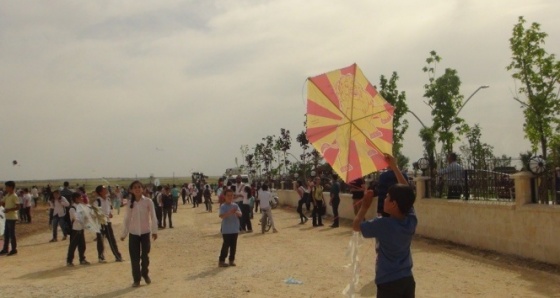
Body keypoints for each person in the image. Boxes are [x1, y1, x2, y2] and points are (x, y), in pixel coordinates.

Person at [353, 154, 416, 298]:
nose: (384, 199)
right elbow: (407, 194)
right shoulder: (411, 220)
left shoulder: (382, 224)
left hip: (388, 282)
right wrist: (395, 167)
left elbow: (356, 226)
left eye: (387, 197)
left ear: (393, 204)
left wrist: (364, 207)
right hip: (407, 279)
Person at [121, 180, 158, 288]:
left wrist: (154, 231)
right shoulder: (129, 203)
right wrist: (124, 233)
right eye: (135, 187)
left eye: (139, 187)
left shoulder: (148, 201)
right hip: (133, 234)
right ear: (131, 190)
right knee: (134, 258)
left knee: (145, 256)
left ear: (143, 189)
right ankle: (136, 279)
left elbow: (153, 217)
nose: (137, 189)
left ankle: (145, 273)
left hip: (145, 233)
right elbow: (127, 218)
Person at [94, 185, 124, 263]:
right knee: (100, 240)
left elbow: (109, 209)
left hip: (107, 222)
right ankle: (101, 257)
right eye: (104, 189)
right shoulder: (97, 201)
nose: (106, 190)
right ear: (100, 192)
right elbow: (95, 213)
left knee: (111, 239)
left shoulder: (107, 199)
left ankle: (117, 256)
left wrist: (110, 214)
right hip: (100, 223)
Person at [218, 189, 242, 267]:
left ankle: (231, 260)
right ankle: (221, 261)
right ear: (224, 196)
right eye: (228, 195)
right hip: (226, 230)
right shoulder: (223, 206)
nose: (230, 197)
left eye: (231, 195)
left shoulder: (235, 205)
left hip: (234, 229)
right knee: (226, 245)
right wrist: (229, 212)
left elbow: (240, 214)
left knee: (233, 246)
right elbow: (221, 216)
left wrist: (236, 212)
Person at [66, 192, 90, 266]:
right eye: (80, 197)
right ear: (76, 198)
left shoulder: (80, 206)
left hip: (81, 228)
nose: (82, 199)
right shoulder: (72, 208)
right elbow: (75, 218)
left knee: (82, 245)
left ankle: (82, 259)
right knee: (73, 245)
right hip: (75, 229)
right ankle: (69, 261)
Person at [0, 181, 20, 256]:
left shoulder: (14, 196)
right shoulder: (8, 195)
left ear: (11, 187)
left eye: (6, 187)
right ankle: (5, 249)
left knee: (12, 234)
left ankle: (14, 249)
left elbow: (18, 207)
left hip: (12, 217)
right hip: (8, 217)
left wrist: (9, 210)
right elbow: (2, 202)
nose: (6, 188)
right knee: (7, 234)